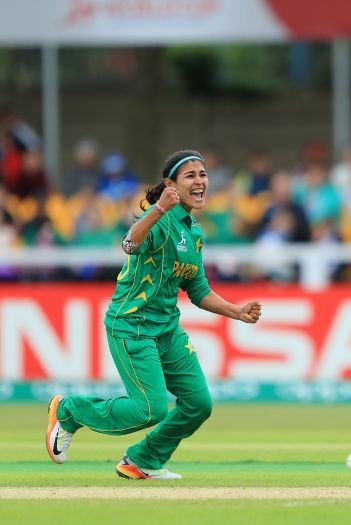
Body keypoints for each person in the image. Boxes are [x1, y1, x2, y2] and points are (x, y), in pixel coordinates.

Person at [45, 149, 262, 479]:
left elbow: (199, 291)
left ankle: (143, 459)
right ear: (170, 184)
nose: (200, 181)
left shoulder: (194, 231)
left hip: (167, 330)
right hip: (132, 325)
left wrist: (238, 311)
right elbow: (129, 244)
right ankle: (69, 410)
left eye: (202, 175)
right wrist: (160, 208)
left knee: (198, 403)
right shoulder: (159, 221)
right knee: (151, 409)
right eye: (190, 176)